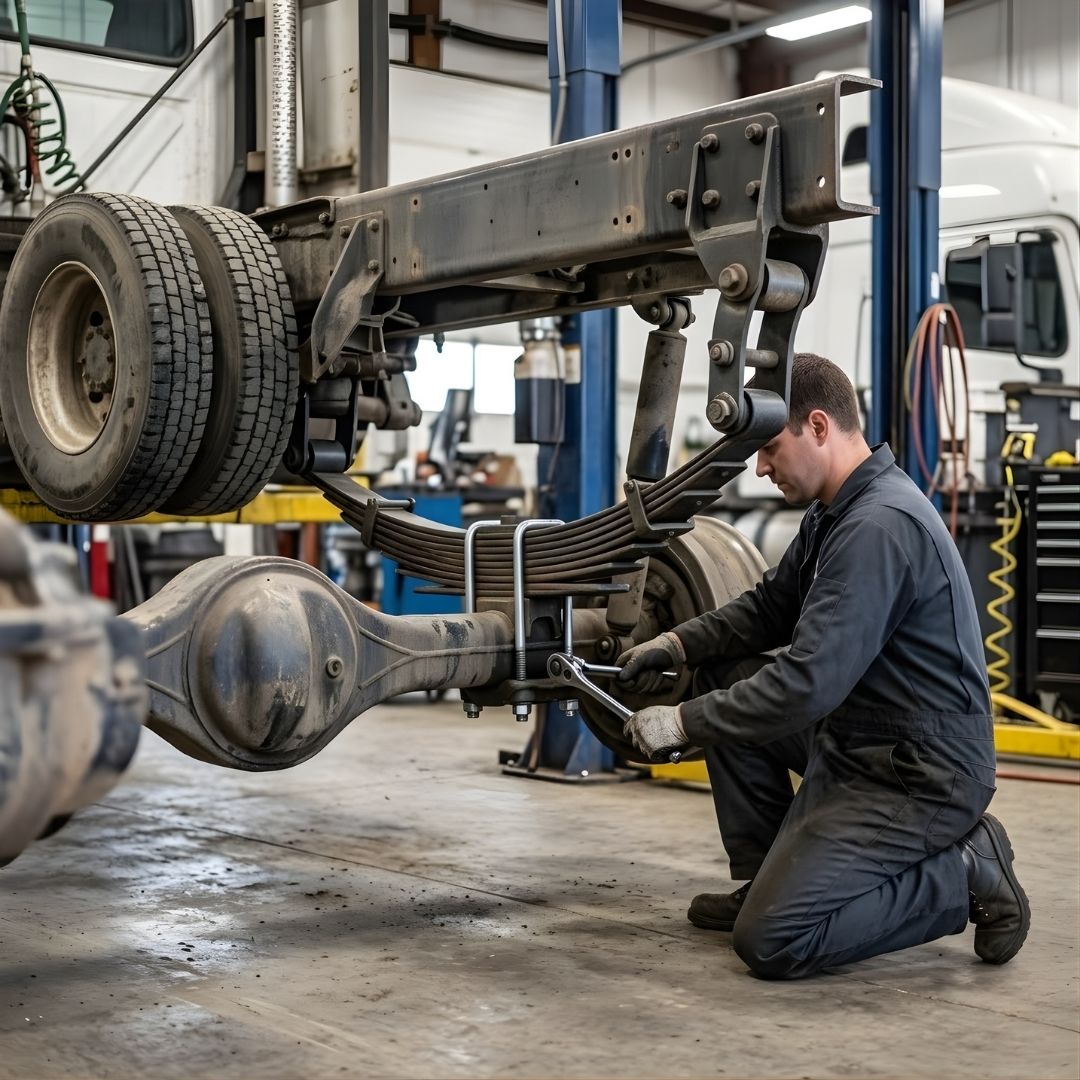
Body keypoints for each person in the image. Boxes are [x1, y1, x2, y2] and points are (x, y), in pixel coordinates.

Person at [618, 353, 1029, 980]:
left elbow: (807, 683)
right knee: (722, 678)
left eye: (769, 448)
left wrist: (682, 724)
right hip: (861, 737)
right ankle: (766, 879)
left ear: (816, 426)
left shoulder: (879, 526)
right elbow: (766, 610)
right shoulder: (833, 514)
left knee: (773, 941)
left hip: (918, 770)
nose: (760, 467)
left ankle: (966, 866)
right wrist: (676, 646)